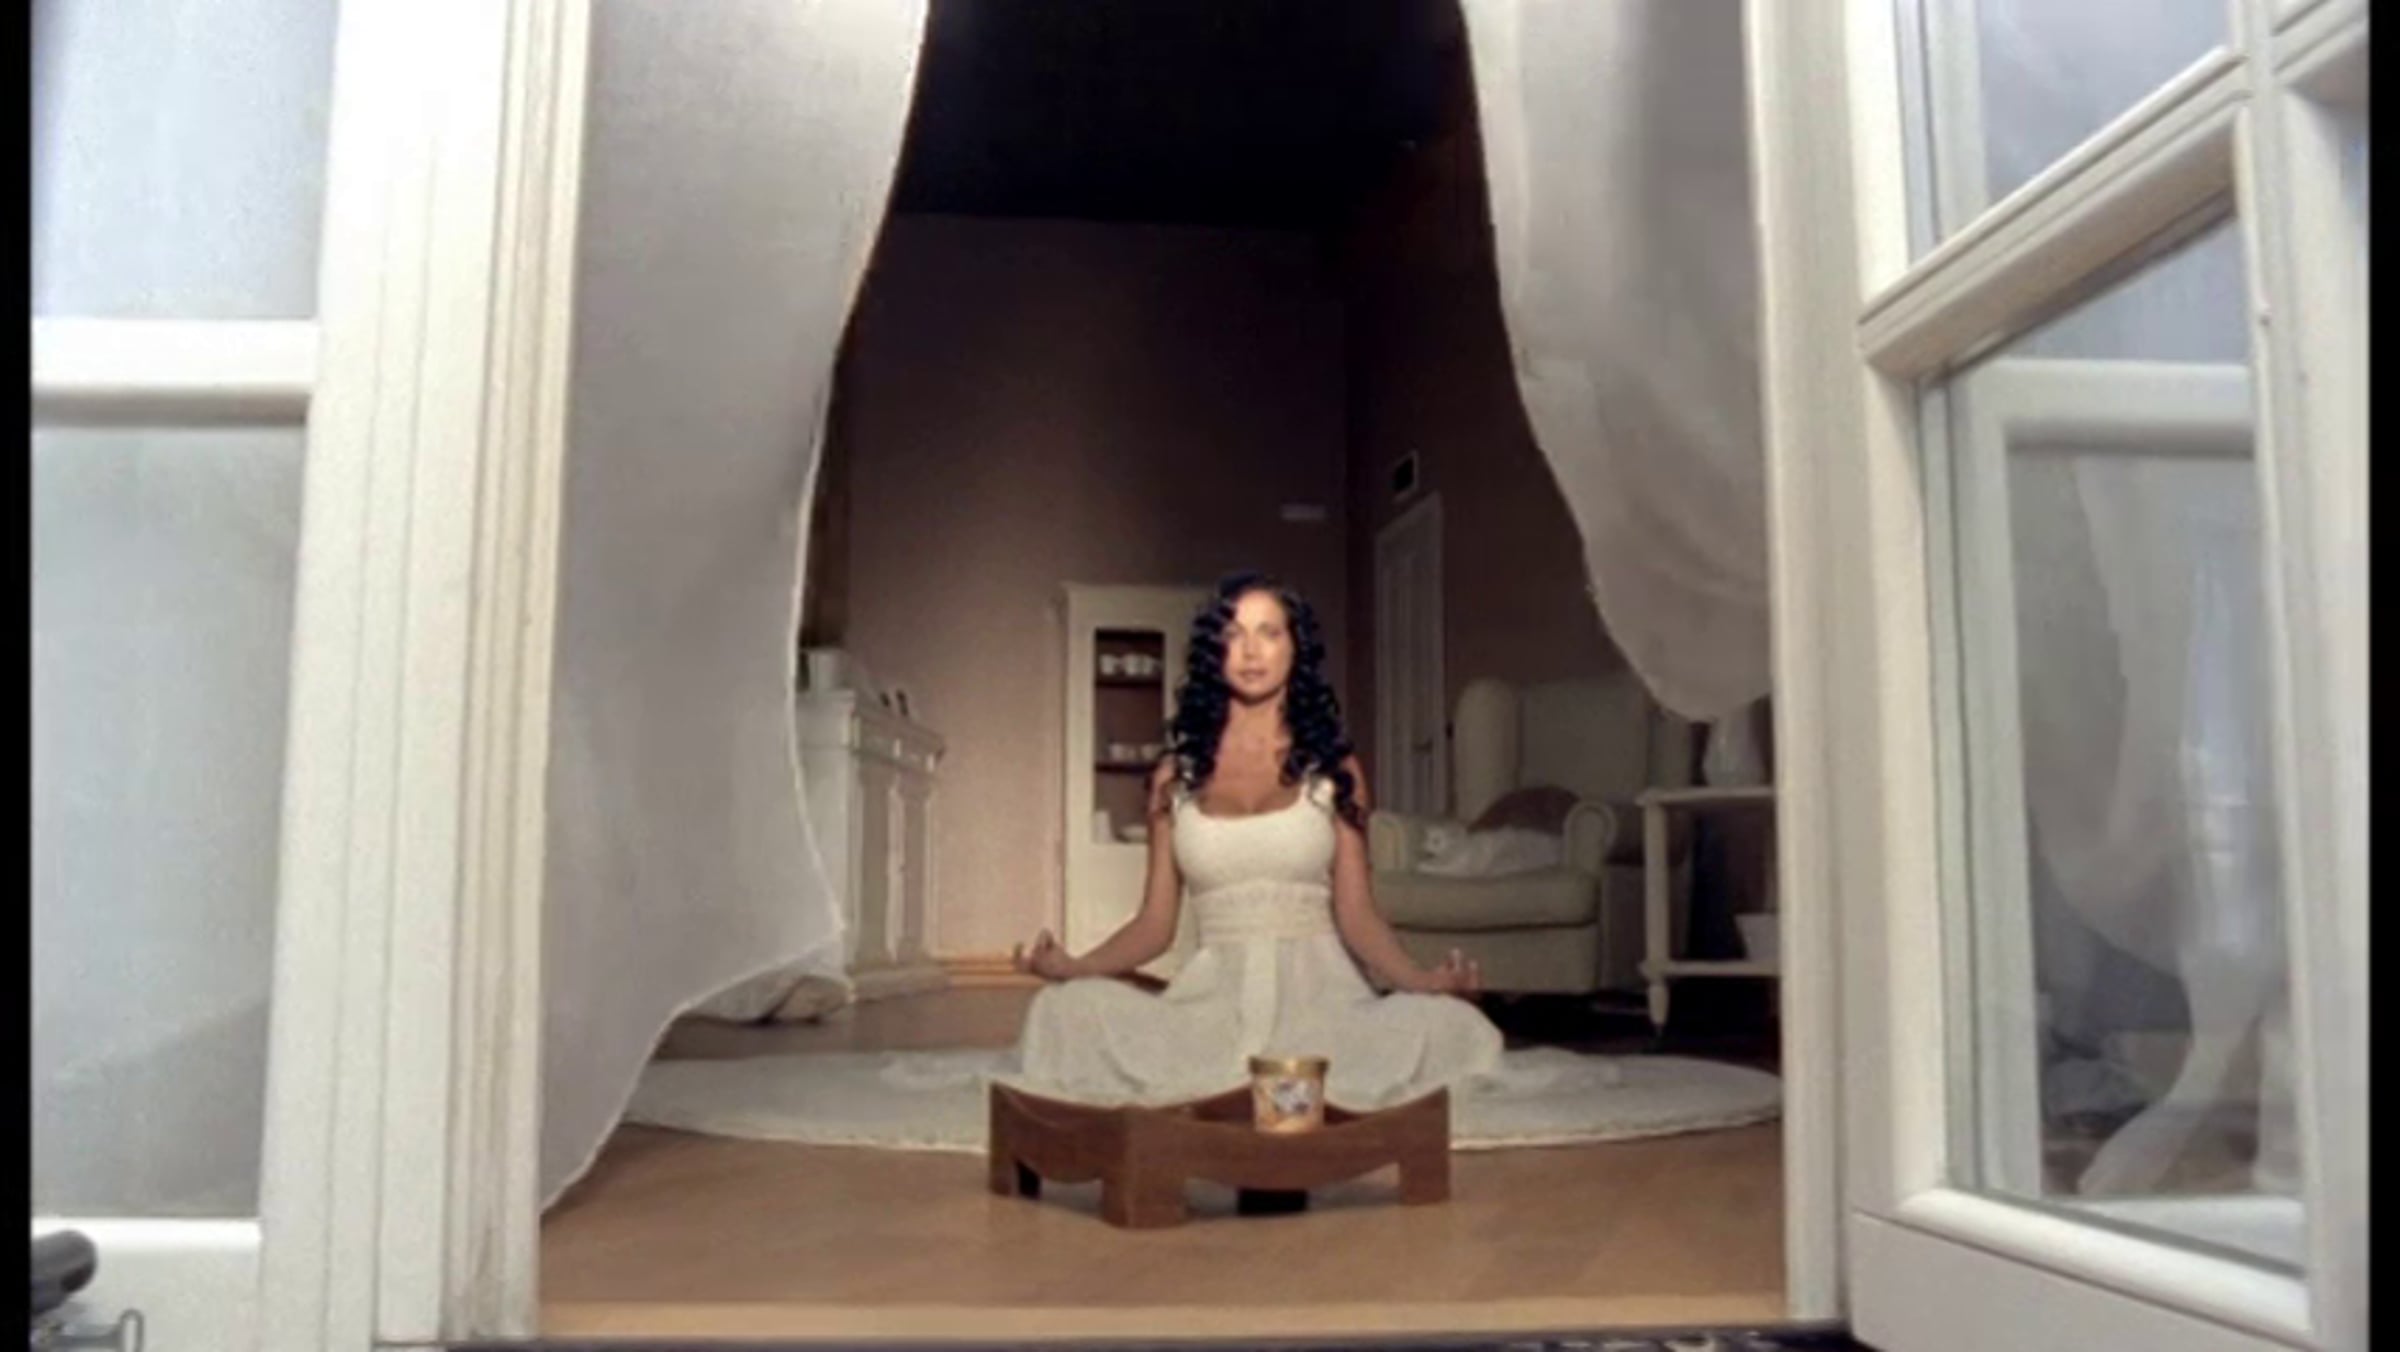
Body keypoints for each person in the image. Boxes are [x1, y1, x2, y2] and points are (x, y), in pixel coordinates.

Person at [1005, 570, 1508, 1110]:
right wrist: (1074, 968)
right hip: (1208, 1012)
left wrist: (1423, 982)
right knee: (1061, 1011)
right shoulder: (1176, 775)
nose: (1250, 651)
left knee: (1455, 1028)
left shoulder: (1334, 767)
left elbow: (1358, 915)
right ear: (1213, 653)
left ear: (1296, 649)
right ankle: (1234, 1090)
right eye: (1234, 635)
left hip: (1324, 1011)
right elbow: (1154, 925)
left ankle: (1287, 1090)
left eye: (1269, 632)